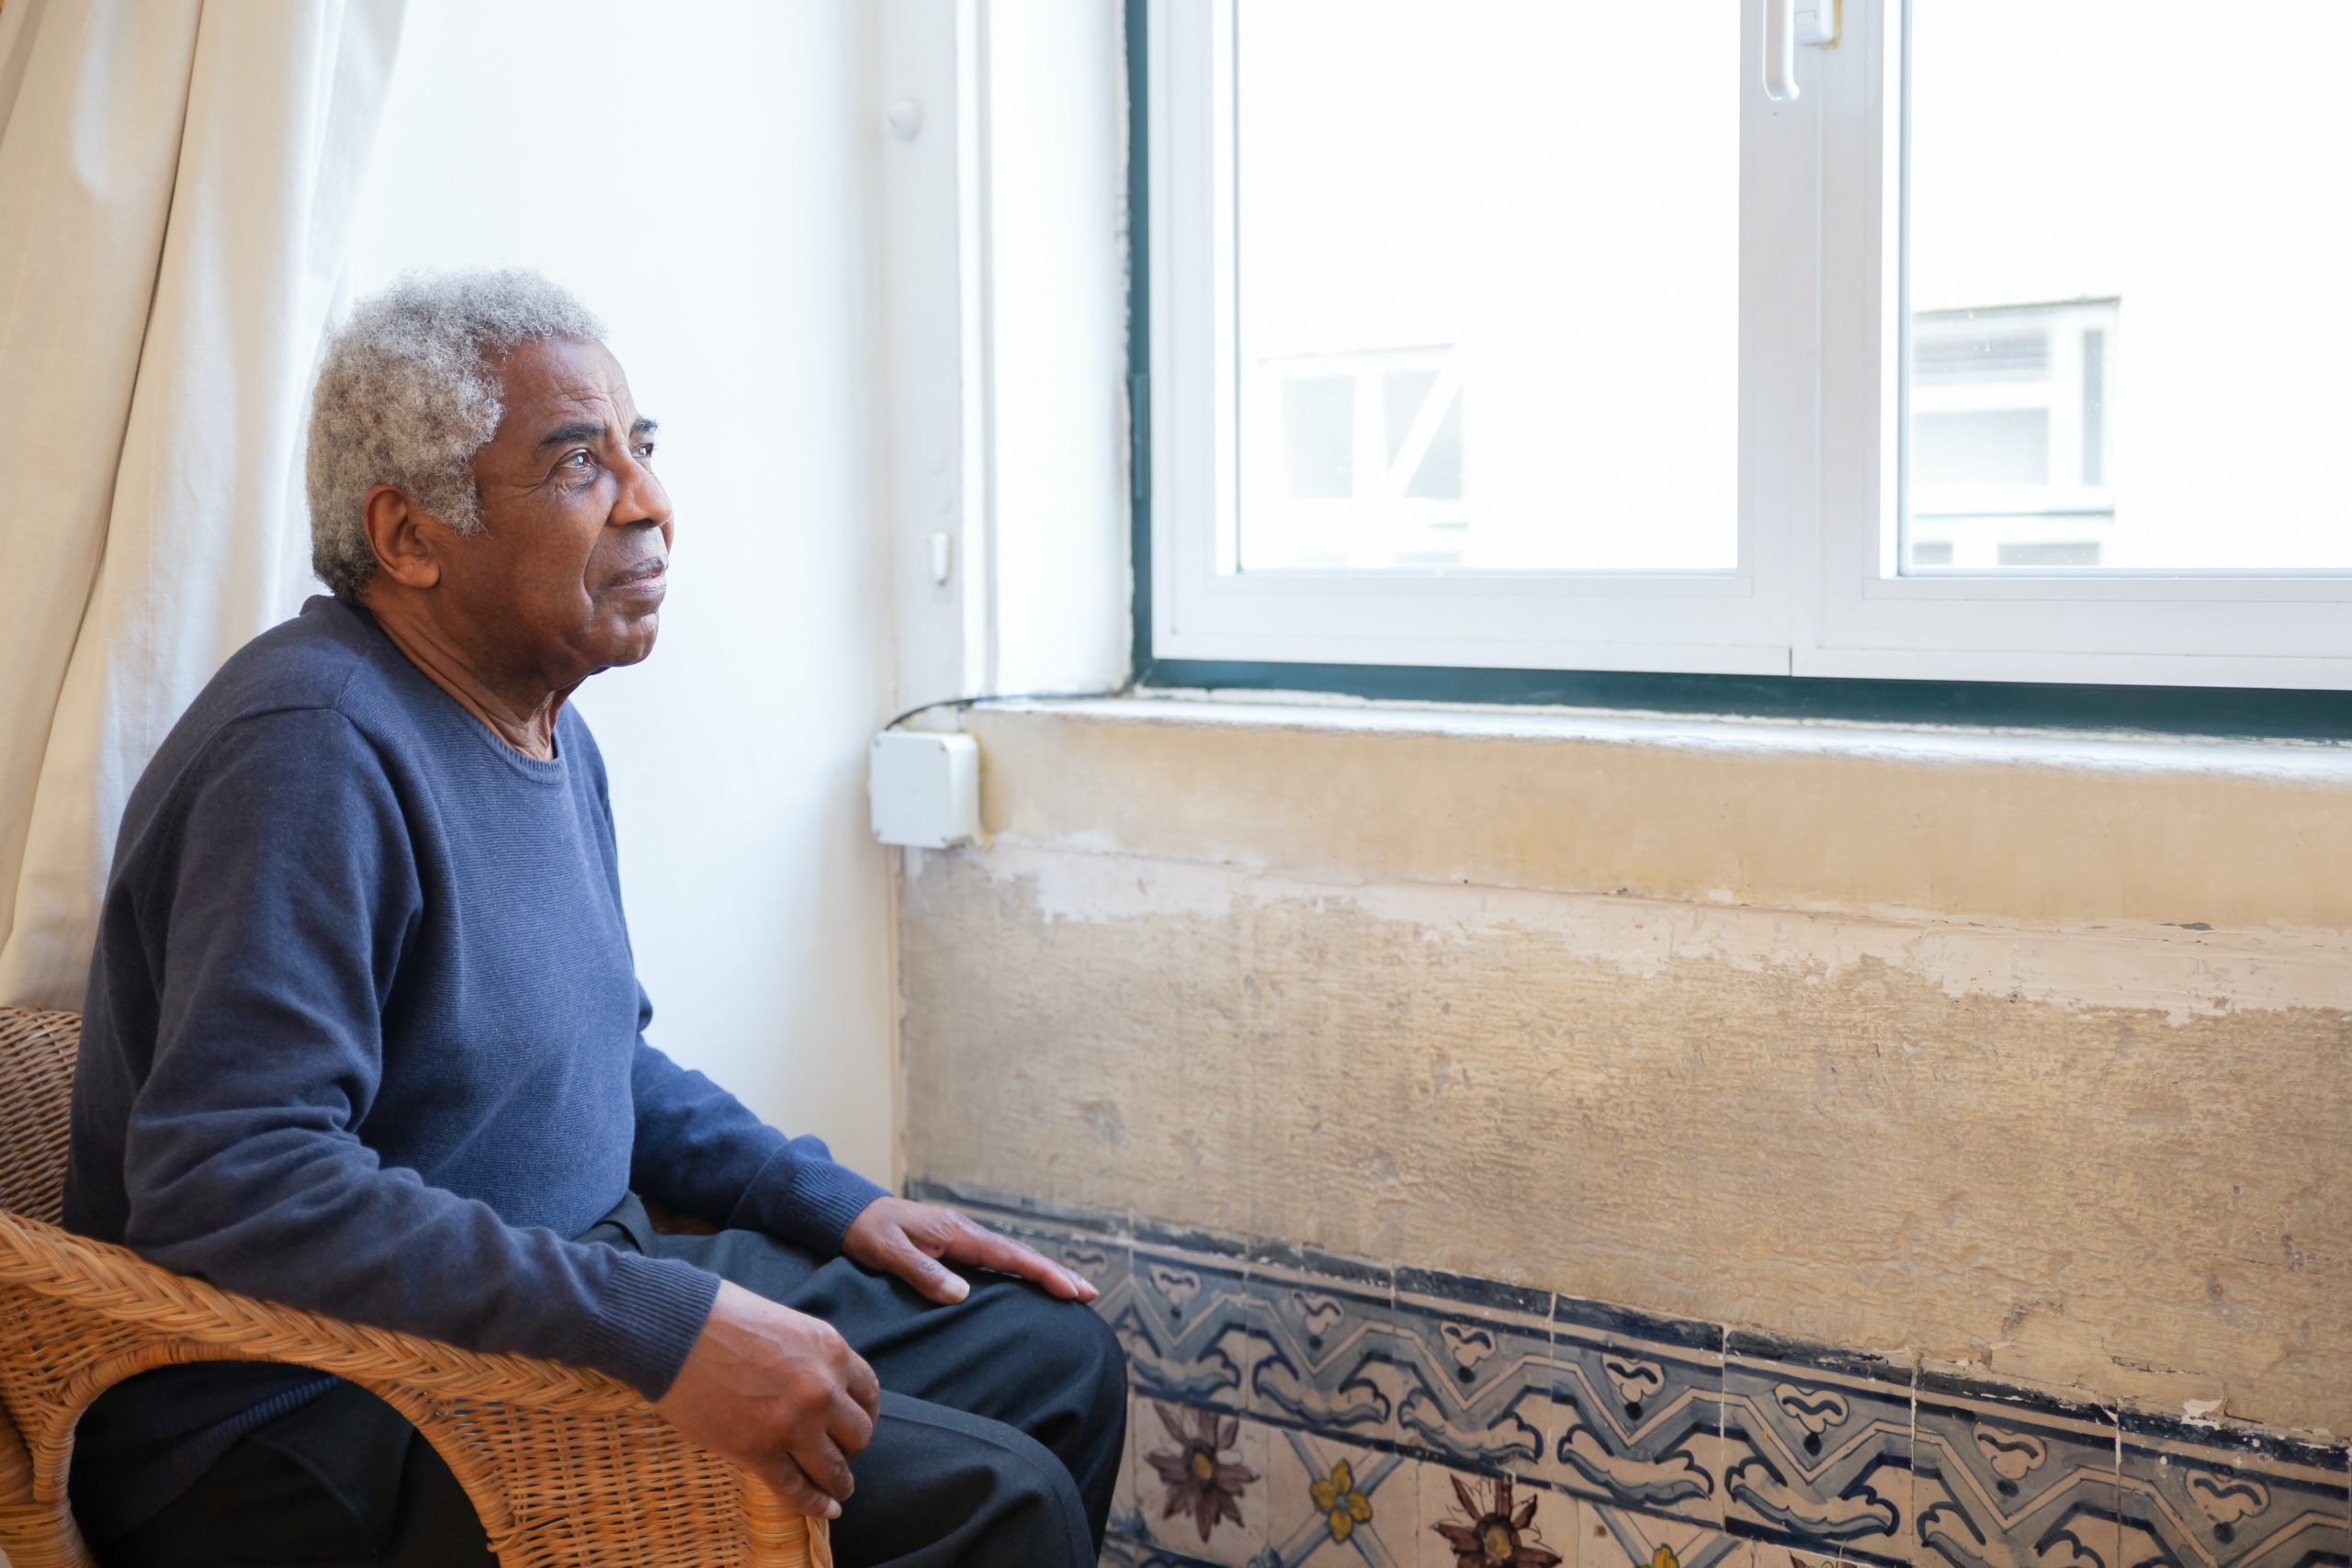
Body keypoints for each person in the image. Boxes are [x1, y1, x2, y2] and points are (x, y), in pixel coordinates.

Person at [61, 269, 1125, 1567]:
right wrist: (662, 1323)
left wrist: (832, 1203)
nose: (652, 503)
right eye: (579, 464)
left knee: (1050, 1354)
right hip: (301, 1413)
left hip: (536, 1292)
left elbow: (591, 1056)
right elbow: (228, 1179)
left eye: (644, 447)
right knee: (995, 1502)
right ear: (408, 536)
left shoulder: (543, 726)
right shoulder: (311, 747)